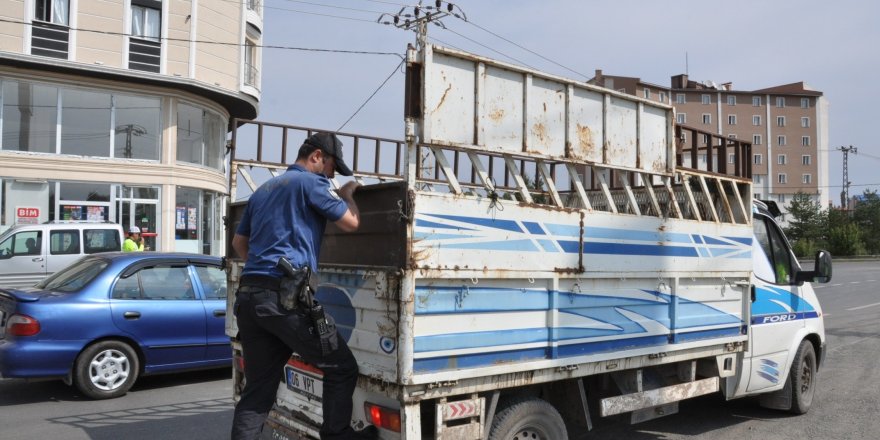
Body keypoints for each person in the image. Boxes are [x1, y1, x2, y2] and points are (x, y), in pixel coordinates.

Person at [230, 132, 375, 440]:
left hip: (250, 298)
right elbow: (351, 223)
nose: (333, 174)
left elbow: (239, 243)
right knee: (341, 366)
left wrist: (263, 270)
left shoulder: (262, 190)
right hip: (285, 300)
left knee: (257, 393)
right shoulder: (311, 183)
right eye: (332, 166)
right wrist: (347, 194)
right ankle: (336, 435)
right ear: (317, 157)